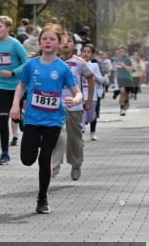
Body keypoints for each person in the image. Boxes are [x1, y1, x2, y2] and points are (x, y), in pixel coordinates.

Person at [10, 24, 82, 214]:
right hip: (33, 118)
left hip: (53, 120)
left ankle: (42, 198)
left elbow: (77, 92)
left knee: (45, 159)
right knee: (27, 159)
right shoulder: (31, 65)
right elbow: (21, 86)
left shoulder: (63, 68)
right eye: (44, 39)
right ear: (40, 43)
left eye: (52, 39)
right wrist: (15, 105)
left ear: (58, 43)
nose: (47, 42)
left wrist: (74, 100)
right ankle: (36, 143)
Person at [51, 34, 95, 181]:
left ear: (75, 46)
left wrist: (89, 100)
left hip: (74, 105)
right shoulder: (52, 60)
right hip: (55, 105)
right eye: (62, 41)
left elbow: (91, 78)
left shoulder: (79, 62)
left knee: (74, 139)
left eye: (69, 41)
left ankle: (76, 163)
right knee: (57, 134)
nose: (65, 44)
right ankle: (55, 163)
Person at [0, 15, 29, 165]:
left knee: (15, 116)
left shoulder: (15, 44)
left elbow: (27, 62)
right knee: (2, 117)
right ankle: (4, 154)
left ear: (8, 28)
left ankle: (22, 118)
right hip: (1, 85)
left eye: (0, 26)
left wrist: (13, 73)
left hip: (16, 86)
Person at [81, 43, 110, 139]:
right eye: (84, 51)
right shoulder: (77, 64)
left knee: (90, 117)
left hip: (92, 95)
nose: (86, 54)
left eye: (88, 52)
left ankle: (92, 131)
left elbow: (101, 79)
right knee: (82, 116)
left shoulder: (94, 65)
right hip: (80, 95)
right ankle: (81, 134)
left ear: (92, 55)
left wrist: (92, 75)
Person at [112, 45, 134, 116]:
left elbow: (130, 69)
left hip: (128, 79)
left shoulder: (128, 60)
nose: (121, 53)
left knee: (126, 94)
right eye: (120, 51)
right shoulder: (116, 59)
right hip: (120, 78)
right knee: (122, 92)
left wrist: (124, 65)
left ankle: (126, 101)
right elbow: (115, 69)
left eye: (123, 51)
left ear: (126, 52)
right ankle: (122, 109)